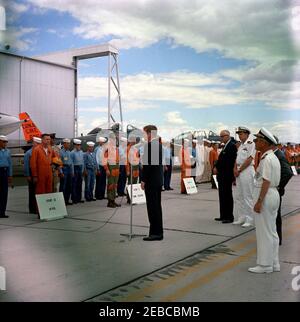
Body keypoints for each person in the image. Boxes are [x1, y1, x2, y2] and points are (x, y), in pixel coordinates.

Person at [248, 128, 281, 274]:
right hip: (273, 195)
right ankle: (274, 263)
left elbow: (266, 181)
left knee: (264, 233)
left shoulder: (266, 159)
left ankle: (265, 265)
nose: (255, 142)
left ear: (264, 142)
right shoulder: (272, 157)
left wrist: (259, 201)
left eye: (257, 140)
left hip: (266, 195)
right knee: (272, 231)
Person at [141, 125, 164, 241]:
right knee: (156, 207)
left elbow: (149, 165)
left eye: (144, 133)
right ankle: (157, 231)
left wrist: (143, 179)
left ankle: (156, 233)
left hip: (152, 181)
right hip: (157, 180)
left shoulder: (151, 145)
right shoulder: (158, 145)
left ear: (149, 133)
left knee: (153, 208)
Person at [233, 127, 256, 228]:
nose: (239, 135)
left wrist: (239, 170)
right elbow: (237, 158)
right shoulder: (240, 145)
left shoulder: (251, 144)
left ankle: (249, 219)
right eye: (238, 134)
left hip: (246, 170)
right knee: (239, 196)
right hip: (239, 170)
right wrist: (235, 169)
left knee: (248, 196)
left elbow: (249, 159)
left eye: (241, 133)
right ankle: (241, 217)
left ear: (247, 134)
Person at [272, 135, 293, 246]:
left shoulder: (279, 155)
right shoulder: (273, 154)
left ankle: (277, 239)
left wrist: (278, 186)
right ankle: (274, 238)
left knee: (275, 215)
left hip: (275, 191)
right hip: (271, 191)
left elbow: (288, 173)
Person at [213, 130, 237, 223]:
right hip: (222, 175)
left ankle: (229, 217)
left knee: (227, 196)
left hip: (226, 175)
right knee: (222, 195)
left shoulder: (231, 146)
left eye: (222, 136)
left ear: (228, 136)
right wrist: (216, 167)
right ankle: (223, 215)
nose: (221, 138)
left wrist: (219, 168)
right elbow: (221, 160)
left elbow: (230, 162)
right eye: (221, 136)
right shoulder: (225, 146)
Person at [24, 136, 41, 213]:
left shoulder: (40, 152)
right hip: (31, 173)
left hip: (39, 173)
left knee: (38, 191)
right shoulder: (28, 153)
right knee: (32, 192)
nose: (38, 145)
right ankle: (32, 208)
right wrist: (28, 175)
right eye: (37, 143)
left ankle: (38, 207)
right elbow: (26, 165)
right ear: (34, 143)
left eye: (39, 143)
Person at [103, 133, 121, 208]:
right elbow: (104, 160)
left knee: (115, 185)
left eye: (115, 139)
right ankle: (109, 202)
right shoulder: (107, 148)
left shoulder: (115, 148)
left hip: (116, 168)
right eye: (113, 138)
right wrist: (107, 169)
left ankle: (113, 200)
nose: (114, 140)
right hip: (110, 167)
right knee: (110, 185)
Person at [0, 135, 12, 218]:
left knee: (4, 193)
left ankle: (2, 212)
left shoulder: (8, 151)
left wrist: (10, 175)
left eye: (6, 142)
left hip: (5, 172)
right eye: (3, 142)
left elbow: (10, 164)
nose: (5, 143)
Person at [59, 138, 74, 205]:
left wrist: (72, 171)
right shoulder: (60, 152)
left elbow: (71, 163)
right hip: (64, 168)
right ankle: (61, 201)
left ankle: (67, 200)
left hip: (69, 169)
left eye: (69, 143)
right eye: (67, 143)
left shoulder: (69, 152)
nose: (68, 145)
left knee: (69, 185)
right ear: (64, 144)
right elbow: (59, 163)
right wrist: (61, 172)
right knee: (63, 186)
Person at [70, 139, 85, 204]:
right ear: (75, 145)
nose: (79, 146)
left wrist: (83, 170)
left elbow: (83, 162)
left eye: (79, 145)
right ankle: (74, 198)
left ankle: (79, 198)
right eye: (77, 145)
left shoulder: (81, 152)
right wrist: (72, 171)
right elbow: (72, 163)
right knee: (74, 184)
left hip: (80, 168)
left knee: (80, 184)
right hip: (75, 168)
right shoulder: (72, 153)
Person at [126, 137, 140, 203]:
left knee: (135, 183)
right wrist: (128, 170)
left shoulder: (135, 149)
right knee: (130, 183)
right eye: (133, 141)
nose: (134, 142)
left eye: (135, 141)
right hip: (131, 167)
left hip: (136, 167)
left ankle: (133, 198)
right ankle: (129, 198)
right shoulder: (128, 149)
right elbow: (126, 161)